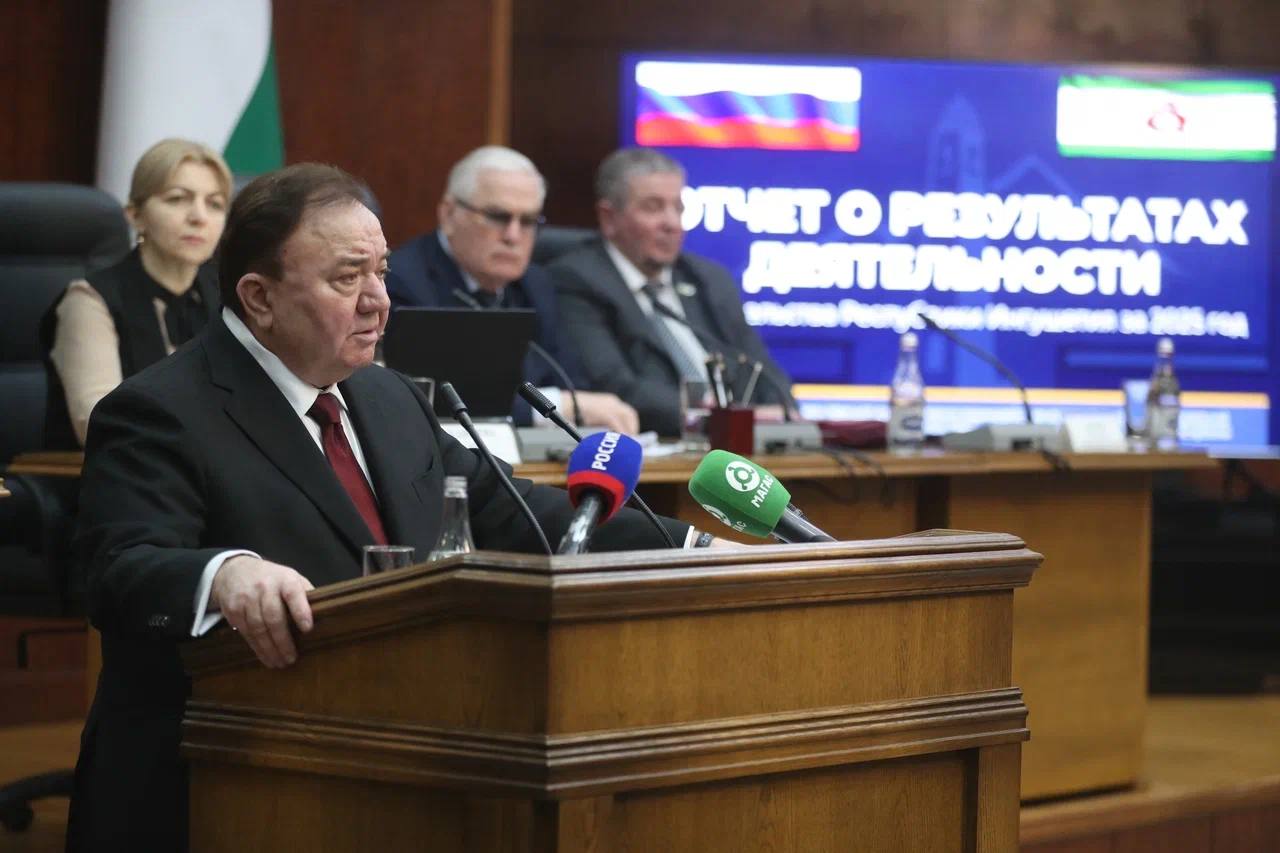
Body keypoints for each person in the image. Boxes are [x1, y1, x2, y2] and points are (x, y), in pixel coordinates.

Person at [66, 163, 703, 851]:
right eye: (348, 278)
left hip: (388, 767)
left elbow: (513, 509)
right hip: (215, 785)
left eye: (383, 272)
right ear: (259, 297)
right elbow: (116, 571)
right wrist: (223, 573)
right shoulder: (160, 410)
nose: (379, 301)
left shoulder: (387, 395)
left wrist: (693, 549)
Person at [386, 145, 638, 433]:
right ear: (449, 214)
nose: (513, 236)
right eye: (498, 216)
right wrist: (555, 406)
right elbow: (429, 400)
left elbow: (573, 383)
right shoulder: (403, 283)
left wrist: (572, 403)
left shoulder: (535, 284)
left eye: (528, 221)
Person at [548, 147, 794, 437]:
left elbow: (765, 373)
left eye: (678, 208)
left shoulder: (708, 279)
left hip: (737, 445)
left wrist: (781, 411)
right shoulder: (576, 279)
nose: (672, 223)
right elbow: (615, 387)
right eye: (653, 208)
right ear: (609, 218)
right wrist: (715, 419)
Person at [42, 137, 231, 448]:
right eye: (177, 199)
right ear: (135, 215)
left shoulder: (230, 295)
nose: (199, 217)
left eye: (215, 204)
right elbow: (101, 424)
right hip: (117, 472)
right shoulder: (89, 300)